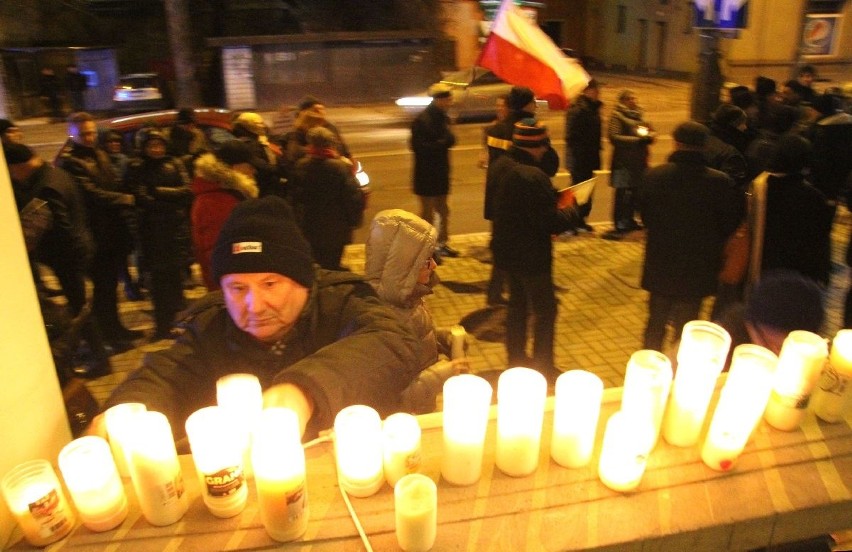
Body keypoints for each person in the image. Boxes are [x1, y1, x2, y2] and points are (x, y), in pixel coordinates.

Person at [94, 195, 420, 441]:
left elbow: (393, 340)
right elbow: (165, 376)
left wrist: (303, 391)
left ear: (302, 280)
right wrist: (121, 414)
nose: (254, 305)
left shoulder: (342, 303)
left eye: (269, 284)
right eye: (237, 288)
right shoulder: (211, 325)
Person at [4, 142, 110, 380]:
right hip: (77, 249)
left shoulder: (46, 188)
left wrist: (37, 243)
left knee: (80, 308)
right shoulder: (56, 173)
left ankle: (100, 359)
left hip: (67, 257)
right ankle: (97, 354)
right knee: (80, 304)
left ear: (18, 166)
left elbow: (61, 228)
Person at [638, 121, 743, 352]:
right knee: (686, 326)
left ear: (676, 143)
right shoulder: (719, 182)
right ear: (704, 147)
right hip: (698, 266)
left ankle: (649, 364)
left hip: (661, 262)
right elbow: (729, 224)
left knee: (655, 322)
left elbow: (646, 217)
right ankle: (678, 372)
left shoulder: (654, 176)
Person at [489, 119, 580, 381]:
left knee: (517, 306)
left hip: (506, 250)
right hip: (531, 255)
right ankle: (544, 366)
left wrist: (550, 197)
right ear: (537, 145)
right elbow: (548, 222)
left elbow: (522, 205)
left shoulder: (501, 165)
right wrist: (571, 209)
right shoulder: (532, 175)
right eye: (544, 145)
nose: (546, 150)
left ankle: (515, 358)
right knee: (545, 311)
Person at [56, 112, 143, 351]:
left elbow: (111, 182)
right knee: (102, 289)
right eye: (83, 133)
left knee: (110, 286)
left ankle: (116, 328)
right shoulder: (72, 162)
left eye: (92, 132)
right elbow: (90, 194)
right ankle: (108, 337)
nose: (89, 137)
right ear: (72, 134)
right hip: (95, 235)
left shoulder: (99, 153)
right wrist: (123, 198)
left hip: (112, 232)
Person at [363, 209, 460, 413]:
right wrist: (441, 375)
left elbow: (414, 341)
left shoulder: (408, 299)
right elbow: (392, 398)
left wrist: (441, 339)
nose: (434, 265)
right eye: (426, 260)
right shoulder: (382, 321)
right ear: (403, 267)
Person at [125, 129, 193, 340]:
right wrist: (167, 202)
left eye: (159, 144)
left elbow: (187, 190)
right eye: (151, 145)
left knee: (175, 281)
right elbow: (141, 197)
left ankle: (179, 323)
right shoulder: (137, 167)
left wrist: (159, 192)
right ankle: (162, 325)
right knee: (157, 283)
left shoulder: (175, 163)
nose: (156, 149)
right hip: (152, 234)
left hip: (174, 231)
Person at [758, 134, 832, 287]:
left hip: (761, 266)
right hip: (798, 272)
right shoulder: (813, 197)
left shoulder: (757, 189)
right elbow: (820, 238)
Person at [290, 126, 364, 271]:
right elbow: (352, 197)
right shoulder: (340, 167)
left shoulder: (301, 166)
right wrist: (354, 221)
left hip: (310, 226)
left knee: (315, 261)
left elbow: (295, 198)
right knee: (333, 262)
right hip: (337, 227)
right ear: (331, 144)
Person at [190, 139, 259, 290]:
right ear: (235, 168)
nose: (253, 172)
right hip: (230, 285)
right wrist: (259, 248)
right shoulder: (217, 200)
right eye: (249, 167)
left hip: (235, 282)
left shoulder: (225, 194)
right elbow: (220, 251)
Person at [716, 269, 824, 357]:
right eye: (770, 346)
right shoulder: (724, 344)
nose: (776, 355)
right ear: (751, 325)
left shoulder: (807, 360)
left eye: (784, 349)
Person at [410, 83, 458, 260]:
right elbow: (417, 147)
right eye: (447, 99)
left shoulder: (444, 118)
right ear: (439, 100)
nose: (450, 102)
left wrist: (448, 135)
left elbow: (452, 140)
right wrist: (442, 142)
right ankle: (426, 248)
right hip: (426, 173)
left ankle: (442, 243)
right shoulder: (423, 120)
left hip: (441, 171)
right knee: (427, 213)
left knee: (443, 209)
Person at [603, 89, 655, 240]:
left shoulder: (639, 115)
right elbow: (614, 137)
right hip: (622, 163)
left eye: (634, 98)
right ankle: (619, 222)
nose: (634, 101)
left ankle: (630, 220)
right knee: (622, 194)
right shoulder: (617, 116)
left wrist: (650, 136)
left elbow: (648, 130)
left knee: (634, 193)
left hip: (638, 162)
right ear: (623, 101)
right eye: (630, 98)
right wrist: (637, 141)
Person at [565, 78, 603, 233]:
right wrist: (582, 149)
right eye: (595, 90)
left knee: (586, 191)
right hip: (579, 157)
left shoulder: (592, 109)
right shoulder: (578, 109)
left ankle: (581, 220)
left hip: (589, 156)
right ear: (586, 91)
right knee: (578, 191)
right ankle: (571, 222)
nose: (597, 93)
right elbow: (572, 136)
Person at [232, 111, 287, 198]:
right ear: (248, 126)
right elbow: (260, 166)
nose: (263, 126)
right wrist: (279, 170)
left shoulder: (256, 140)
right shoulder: (251, 144)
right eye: (259, 123)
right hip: (263, 187)